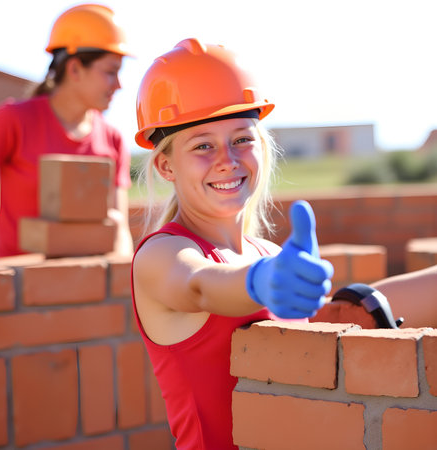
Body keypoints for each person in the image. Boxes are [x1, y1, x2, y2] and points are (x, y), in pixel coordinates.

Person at [131, 38, 334, 449]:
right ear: (167, 165)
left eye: (242, 139)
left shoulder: (271, 254)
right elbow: (201, 283)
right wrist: (261, 281)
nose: (227, 158)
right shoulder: (162, 254)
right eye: (203, 145)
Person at [0, 4, 134, 257]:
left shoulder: (113, 139)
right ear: (75, 68)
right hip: (17, 290)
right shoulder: (13, 120)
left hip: (88, 290)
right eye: (111, 72)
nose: (119, 85)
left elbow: (118, 228)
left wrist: (122, 282)